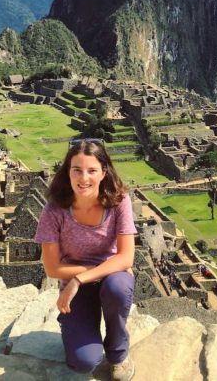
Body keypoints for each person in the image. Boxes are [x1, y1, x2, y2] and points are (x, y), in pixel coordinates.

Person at [34, 139, 137, 380]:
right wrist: (90, 275)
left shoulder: (119, 202)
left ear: (103, 173)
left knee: (118, 288)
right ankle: (76, 329)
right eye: (77, 170)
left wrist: (79, 278)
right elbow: (52, 268)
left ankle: (118, 352)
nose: (84, 178)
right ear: (67, 172)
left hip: (109, 280)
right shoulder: (54, 211)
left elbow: (126, 257)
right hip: (87, 281)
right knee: (83, 362)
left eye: (92, 170)